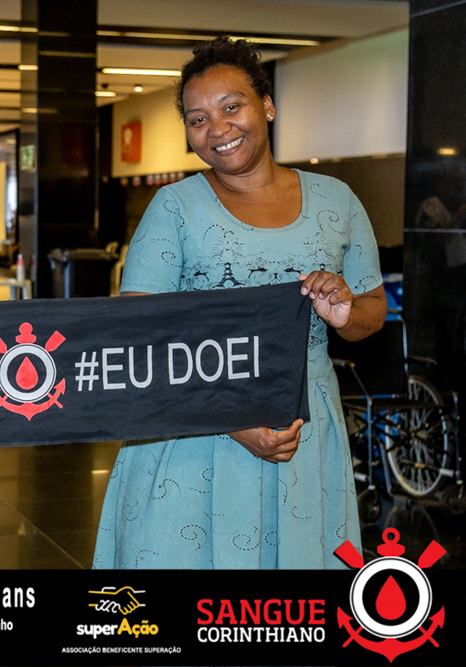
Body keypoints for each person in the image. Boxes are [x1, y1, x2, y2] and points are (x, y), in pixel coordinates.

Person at [93, 37, 387, 570]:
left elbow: (372, 308)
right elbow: (139, 334)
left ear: (267, 105)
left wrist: (345, 312)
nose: (217, 128)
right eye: (197, 119)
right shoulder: (174, 207)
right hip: (194, 428)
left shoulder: (337, 201)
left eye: (232, 106)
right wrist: (231, 417)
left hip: (303, 430)